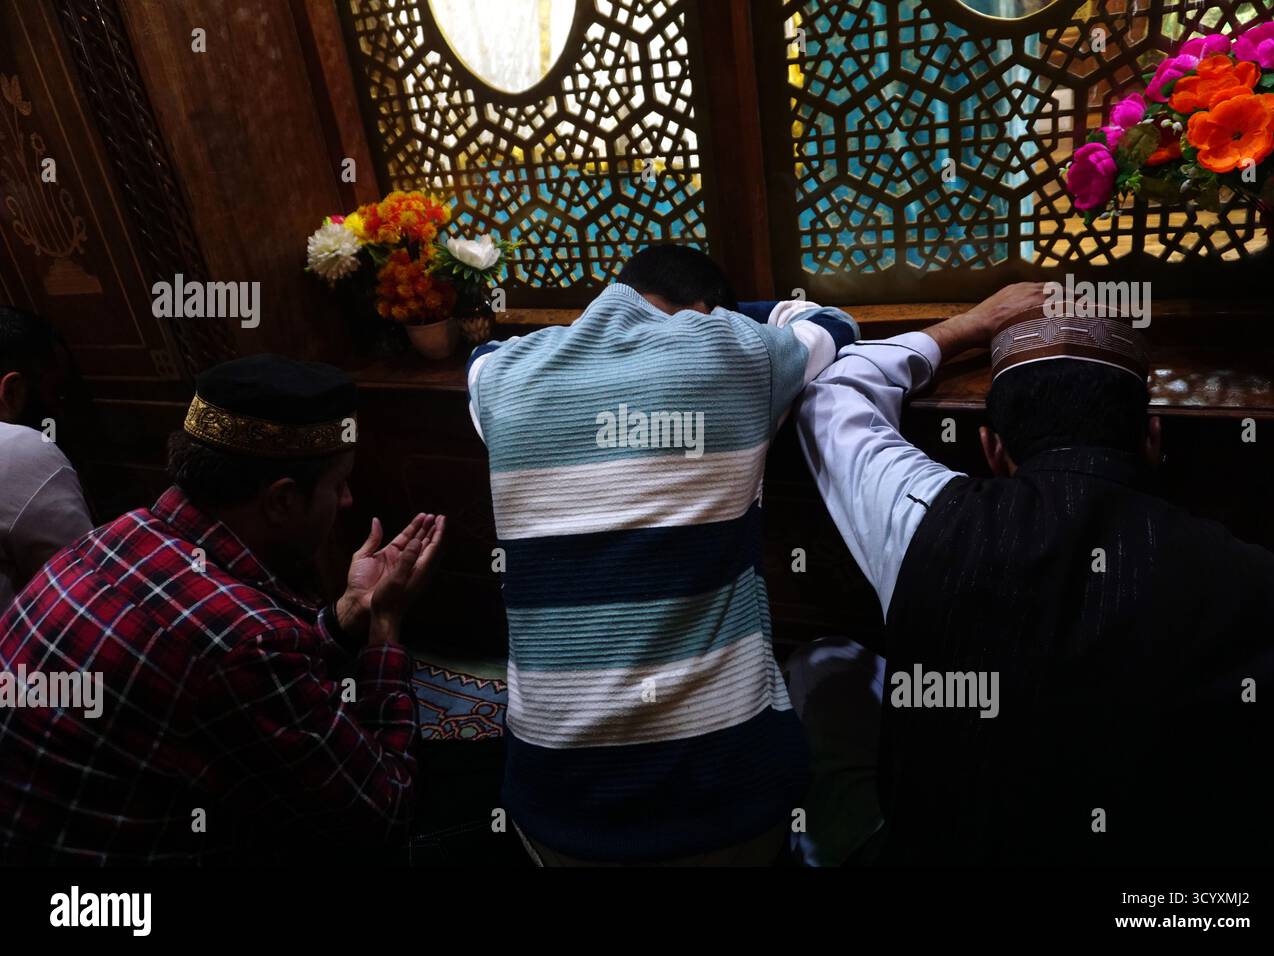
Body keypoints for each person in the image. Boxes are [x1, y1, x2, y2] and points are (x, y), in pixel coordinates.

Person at [796, 285, 1274, 865]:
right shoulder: (1268, 584)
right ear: (1153, 439)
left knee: (819, 664)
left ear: (990, 447)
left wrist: (970, 324)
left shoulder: (924, 518)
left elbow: (834, 395)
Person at [467, 245, 858, 864]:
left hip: (551, 805)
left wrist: (602, 317)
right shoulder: (733, 352)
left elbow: (479, 359)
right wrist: (716, 318)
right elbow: (832, 323)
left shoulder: (507, 379)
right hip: (729, 804)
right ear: (704, 312)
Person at [0, 354, 444, 864]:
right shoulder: (243, 640)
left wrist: (348, 615)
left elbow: (221, 677)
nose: (346, 500)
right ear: (282, 501)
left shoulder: (111, 538)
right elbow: (384, 811)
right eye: (337, 482)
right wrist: (384, 629)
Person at [0, 306, 93, 609]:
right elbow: (84, 592)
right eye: (57, 394)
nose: (61, 412)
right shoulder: (18, 448)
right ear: (12, 393)